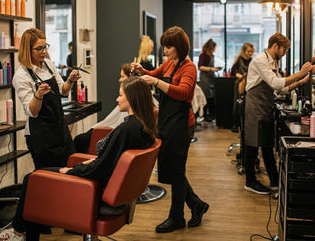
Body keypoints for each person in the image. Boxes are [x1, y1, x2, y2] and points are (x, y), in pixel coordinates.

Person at [0, 77, 157, 241]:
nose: (117, 99)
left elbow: (100, 168)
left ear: (132, 98)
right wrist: (83, 164)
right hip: (109, 188)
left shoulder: (127, 129)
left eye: (121, 95)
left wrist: (72, 170)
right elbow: (107, 160)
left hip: (93, 190)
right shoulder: (143, 127)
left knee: (32, 179)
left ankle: (18, 234)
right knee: (37, 177)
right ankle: (19, 233)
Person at [132, 26, 208, 233]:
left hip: (182, 125)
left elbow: (183, 93)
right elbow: (152, 74)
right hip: (166, 122)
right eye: (164, 46)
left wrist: (155, 81)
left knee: (177, 171)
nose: (164, 50)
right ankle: (196, 205)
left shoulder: (189, 68)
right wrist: (142, 72)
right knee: (174, 170)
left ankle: (177, 217)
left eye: (168, 47)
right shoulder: (168, 64)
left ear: (180, 47)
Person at [244, 32, 313, 195]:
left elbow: (281, 87)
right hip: (254, 107)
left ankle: (275, 181)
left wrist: (300, 82)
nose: (285, 53)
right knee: (252, 145)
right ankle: (250, 181)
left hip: (265, 106)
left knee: (267, 144)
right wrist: (300, 73)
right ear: (276, 45)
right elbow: (275, 83)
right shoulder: (260, 60)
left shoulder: (272, 61)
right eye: (285, 50)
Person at [12, 28, 81, 169]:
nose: (44, 51)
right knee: (50, 178)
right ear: (27, 50)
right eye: (39, 48)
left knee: (71, 170)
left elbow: (63, 90)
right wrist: (38, 95)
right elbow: (32, 112)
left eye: (45, 47)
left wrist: (71, 80)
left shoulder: (48, 65)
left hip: (60, 129)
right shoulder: (21, 76)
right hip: (41, 136)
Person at [73, 63, 132, 153]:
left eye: (122, 76)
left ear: (130, 78)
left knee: (79, 139)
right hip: (108, 130)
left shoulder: (126, 125)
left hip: (107, 132)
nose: (120, 80)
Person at [230, 42, 255, 132]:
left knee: (247, 104)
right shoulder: (239, 60)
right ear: (244, 51)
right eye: (248, 51)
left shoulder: (253, 61)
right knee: (237, 103)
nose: (250, 53)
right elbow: (232, 72)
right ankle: (235, 124)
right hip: (240, 83)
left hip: (249, 84)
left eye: (251, 51)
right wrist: (241, 77)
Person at [198, 39, 222, 122]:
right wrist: (212, 69)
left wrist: (215, 69)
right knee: (205, 97)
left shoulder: (212, 56)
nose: (213, 50)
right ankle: (205, 114)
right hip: (205, 79)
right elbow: (200, 67)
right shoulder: (203, 55)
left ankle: (211, 114)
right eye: (212, 48)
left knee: (211, 97)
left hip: (211, 78)